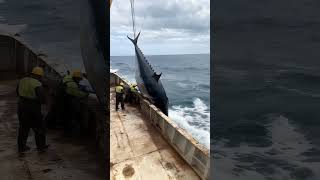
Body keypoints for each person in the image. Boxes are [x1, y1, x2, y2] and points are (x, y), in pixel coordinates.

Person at [16, 66, 49, 153]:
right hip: (33, 108)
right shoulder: (37, 84)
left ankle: (21, 147)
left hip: (21, 106)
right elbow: (42, 99)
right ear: (39, 76)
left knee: (23, 128)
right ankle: (41, 147)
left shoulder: (22, 80)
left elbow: (17, 92)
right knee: (39, 128)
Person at [63, 69, 89, 135]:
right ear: (76, 78)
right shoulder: (73, 85)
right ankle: (69, 132)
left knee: (66, 116)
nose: (80, 81)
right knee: (71, 116)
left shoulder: (68, 78)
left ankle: (68, 130)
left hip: (62, 99)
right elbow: (77, 94)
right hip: (68, 101)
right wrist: (86, 94)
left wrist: (83, 75)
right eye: (79, 79)